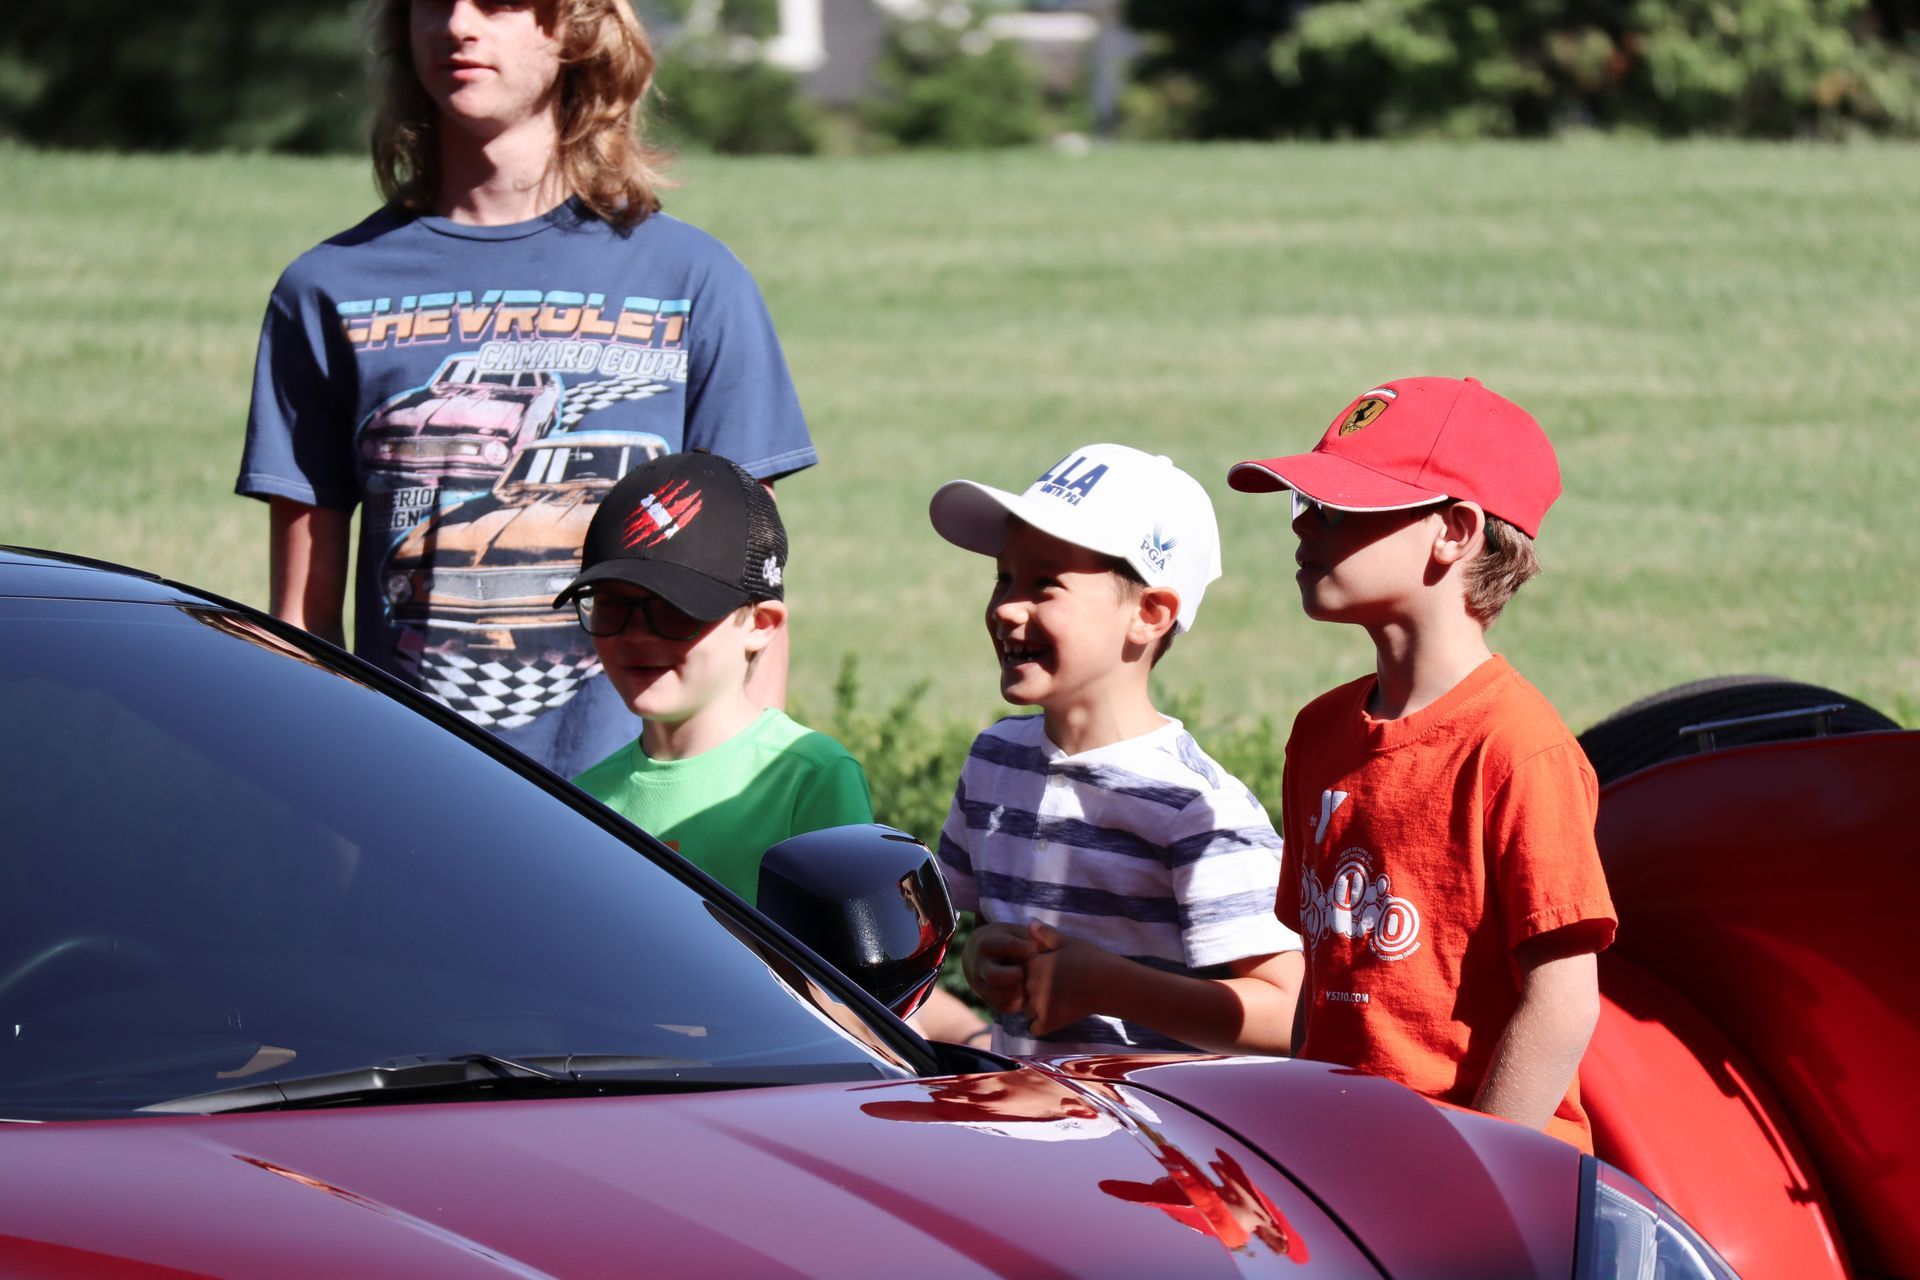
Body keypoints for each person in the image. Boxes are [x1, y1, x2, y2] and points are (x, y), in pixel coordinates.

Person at [236, 0, 812, 778]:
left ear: (576, 26)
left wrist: (751, 801)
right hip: (402, 796)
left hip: (643, 814)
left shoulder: (692, 281)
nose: (459, 26)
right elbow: (301, 623)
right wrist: (320, 808)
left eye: (498, 2)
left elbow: (754, 591)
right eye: (433, 3)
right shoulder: (328, 289)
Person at [1226, 375, 1617, 1151]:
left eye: (1340, 510)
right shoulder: (1320, 732)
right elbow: (1327, 975)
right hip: (1348, 1165)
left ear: (1455, 531)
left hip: (1484, 1187)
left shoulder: (1515, 746)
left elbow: (1563, 1001)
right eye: (1305, 505)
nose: (1304, 527)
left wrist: (1479, 1170)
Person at [556, 451, 986, 1043]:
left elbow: (850, 990)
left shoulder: (806, 776)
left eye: (672, 613)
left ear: (760, 622)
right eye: (611, 606)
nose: (635, 634)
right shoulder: (582, 796)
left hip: (764, 1084)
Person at [927, 444, 1304, 1057]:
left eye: (1045, 584)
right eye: (1003, 577)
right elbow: (980, 930)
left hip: (1149, 1138)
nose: (1005, 607)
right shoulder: (995, 760)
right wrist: (982, 957)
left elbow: (1293, 1015)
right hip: (1026, 1124)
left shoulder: (1192, 805)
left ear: (1150, 614)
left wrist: (1110, 987)